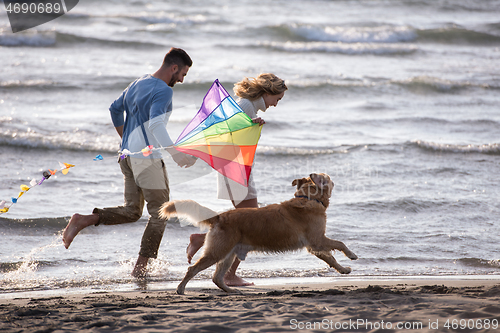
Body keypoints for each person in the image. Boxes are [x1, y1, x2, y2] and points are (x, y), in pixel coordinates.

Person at [62, 47, 196, 277]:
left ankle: (83, 220)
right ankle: (140, 269)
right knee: (161, 213)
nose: (182, 80)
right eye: (183, 74)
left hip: (127, 157)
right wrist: (176, 154)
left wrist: (127, 139)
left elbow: (115, 109)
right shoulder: (164, 90)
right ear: (174, 68)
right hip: (147, 160)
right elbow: (155, 125)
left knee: (132, 211)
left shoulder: (138, 82)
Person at [187, 73, 287, 286]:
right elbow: (228, 137)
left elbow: (233, 135)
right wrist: (250, 125)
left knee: (246, 225)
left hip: (235, 169)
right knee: (252, 226)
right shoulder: (246, 105)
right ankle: (228, 275)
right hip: (236, 170)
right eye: (277, 99)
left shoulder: (246, 105)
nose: (276, 105)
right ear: (268, 92)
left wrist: (251, 126)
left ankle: (202, 242)